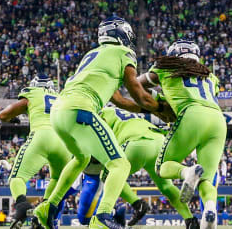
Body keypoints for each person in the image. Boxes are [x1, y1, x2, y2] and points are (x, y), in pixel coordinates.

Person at [31, 17, 162, 229]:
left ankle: (48, 207)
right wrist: (160, 109)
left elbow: (118, 100)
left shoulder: (92, 54)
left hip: (59, 111)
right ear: (122, 34)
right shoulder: (123, 53)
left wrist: (142, 108)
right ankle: (101, 217)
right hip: (81, 109)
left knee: (81, 158)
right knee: (120, 164)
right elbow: (138, 93)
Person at [133, 40, 226, 229]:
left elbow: (137, 84)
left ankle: (187, 172)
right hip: (218, 119)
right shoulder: (209, 76)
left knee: (162, 168)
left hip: (191, 114)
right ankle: (210, 209)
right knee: (206, 178)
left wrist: (160, 98)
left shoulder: (165, 67)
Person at [0, 76, 70, 229]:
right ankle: (43, 212)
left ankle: (22, 205)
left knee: (17, 177)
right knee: (57, 179)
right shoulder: (62, 97)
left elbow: (3, 115)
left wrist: (14, 120)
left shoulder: (32, 93)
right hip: (63, 142)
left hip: (41, 136)